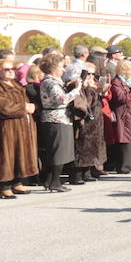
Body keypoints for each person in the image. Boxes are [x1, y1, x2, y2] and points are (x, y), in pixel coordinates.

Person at [0, 59, 37, 198]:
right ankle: (5, 185)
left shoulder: (16, 84)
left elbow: (25, 101)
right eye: (6, 69)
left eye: (12, 69)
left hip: (22, 124)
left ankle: (17, 181)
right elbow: (2, 106)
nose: (10, 71)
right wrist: (23, 107)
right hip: (6, 126)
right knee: (6, 155)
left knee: (21, 152)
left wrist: (30, 106)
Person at [36, 53, 79, 193]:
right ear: (53, 67)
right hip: (56, 118)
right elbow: (61, 100)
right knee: (58, 152)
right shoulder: (50, 82)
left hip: (59, 118)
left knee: (59, 151)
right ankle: (55, 182)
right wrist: (76, 91)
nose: (63, 70)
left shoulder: (54, 81)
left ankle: (50, 181)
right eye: (61, 66)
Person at [69, 66, 107, 185]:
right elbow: (85, 103)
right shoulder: (75, 86)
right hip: (83, 122)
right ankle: (77, 175)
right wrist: (89, 88)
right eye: (88, 73)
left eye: (92, 74)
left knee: (91, 147)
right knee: (81, 147)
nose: (91, 76)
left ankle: (87, 172)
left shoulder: (88, 87)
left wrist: (99, 90)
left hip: (94, 123)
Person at [106, 59, 131, 174]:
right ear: (125, 70)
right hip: (123, 114)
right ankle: (123, 167)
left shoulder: (128, 80)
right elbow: (122, 98)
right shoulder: (117, 82)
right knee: (124, 139)